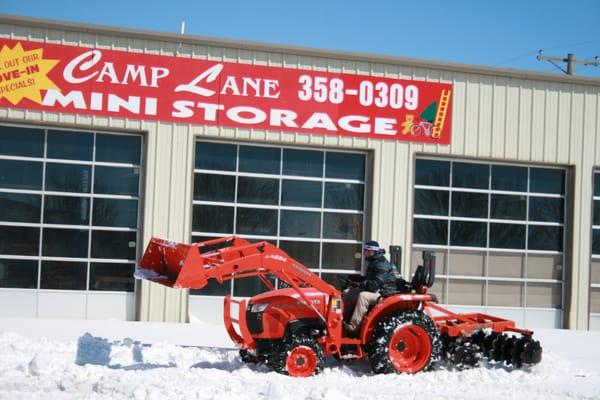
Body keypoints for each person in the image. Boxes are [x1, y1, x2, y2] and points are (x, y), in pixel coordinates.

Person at [342, 240, 399, 336]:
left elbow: (374, 285)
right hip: (377, 290)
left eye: (365, 250)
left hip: (384, 293)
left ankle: (353, 327)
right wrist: (353, 278)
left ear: (371, 251)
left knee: (363, 296)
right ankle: (341, 319)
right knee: (347, 292)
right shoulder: (374, 262)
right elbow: (368, 280)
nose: (364, 253)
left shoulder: (381, 264)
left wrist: (360, 284)